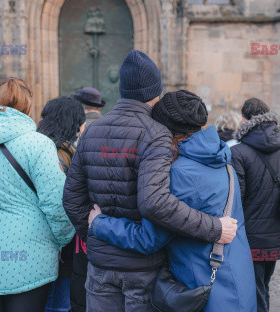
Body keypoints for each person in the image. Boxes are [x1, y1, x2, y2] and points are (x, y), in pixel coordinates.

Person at [63, 50, 231, 312]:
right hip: (142, 270)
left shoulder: (91, 130)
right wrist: (214, 227)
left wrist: (95, 233)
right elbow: (154, 203)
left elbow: (72, 200)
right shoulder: (156, 134)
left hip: (100, 267)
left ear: (122, 89)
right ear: (156, 91)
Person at [87, 90, 256, 312]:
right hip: (239, 280)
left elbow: (148, 239)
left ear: (168, 133)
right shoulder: (222, 158)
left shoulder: (180, 174)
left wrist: (99, 223)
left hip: (208, 291)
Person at [0, 78, 75, 312]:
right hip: (30, 253)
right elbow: (56, 203)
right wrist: (61, 239)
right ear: (27, 106)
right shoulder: (38, 144)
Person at [231, 98, 280, 312]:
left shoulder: (238, 153)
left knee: (252, 290)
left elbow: (235, 199)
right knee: (263, 287)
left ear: (243, 119)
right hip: (275, 234)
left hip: (249, 236)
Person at [37, 97, 86, 312]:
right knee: (57, 303)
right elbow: (60, 204)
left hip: (39, 243)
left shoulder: (37, 147)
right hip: (59, 246)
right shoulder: (59, 154)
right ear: (73, 123)